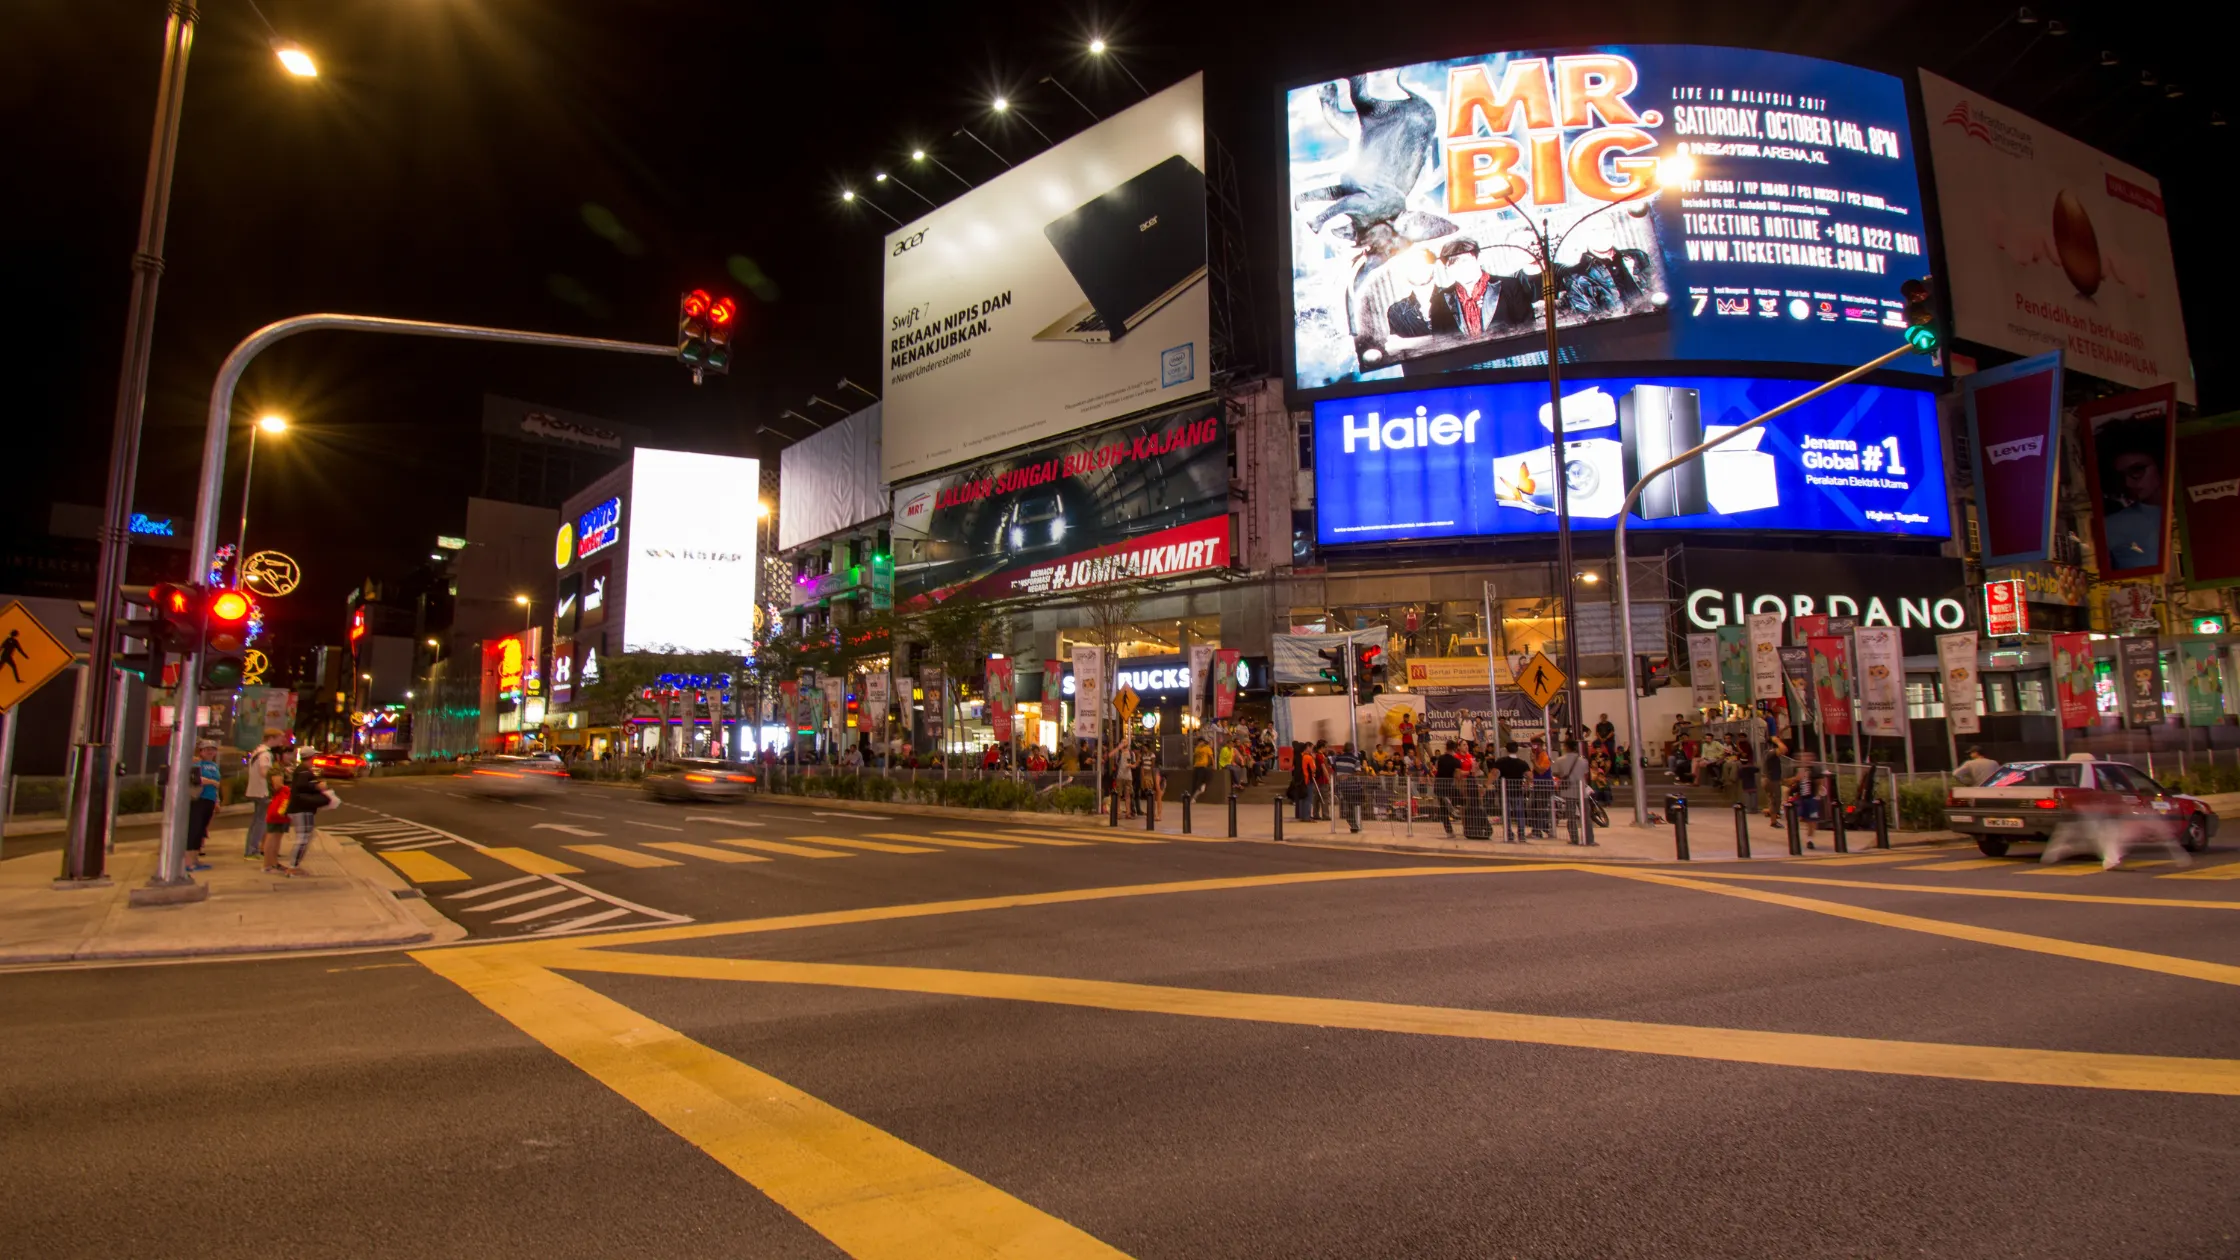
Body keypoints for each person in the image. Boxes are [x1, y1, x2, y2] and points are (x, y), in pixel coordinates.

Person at [283, 750, 330, 872]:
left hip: (301, 808)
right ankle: (292, 867)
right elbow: (301, 786)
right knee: (303, 838)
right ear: (311, 757)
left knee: (306, 837)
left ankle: (294, 866)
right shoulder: (303, 771)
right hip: (302, 808)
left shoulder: (302, 770)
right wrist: (317, 786)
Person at [184, 740, 222, 872]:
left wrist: (217, 801)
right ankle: (188, 861)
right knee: (194, 829)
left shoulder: (215, 766)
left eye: (212, 749)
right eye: (207, 749)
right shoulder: (197, 764)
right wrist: (212, 782)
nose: (210, 752)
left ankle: (195, 859)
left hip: (210, 800)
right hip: (198, 799)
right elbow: (195, 779)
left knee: (201, 831)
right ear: (201, 751)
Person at [1549, 739, 1591, 844]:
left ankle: (1574, 839)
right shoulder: (1583, 761)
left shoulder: (1560, 760)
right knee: (1586, 817)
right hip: (1582, 791)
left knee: (1571, 817)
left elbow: (1556, 773)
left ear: (1566, 747)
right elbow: (1585, 774)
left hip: (1568, 791)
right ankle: (1589, 839)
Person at [241, 742, 276, 860]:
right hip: (262, 791)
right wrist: (275, 775)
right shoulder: (265, 754)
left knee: (256, 821)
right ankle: (252, 850)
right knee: (260, 822)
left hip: (255, 790)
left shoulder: (257, 752)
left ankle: (250, 849)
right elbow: (264, 772)